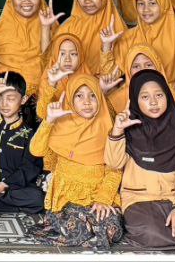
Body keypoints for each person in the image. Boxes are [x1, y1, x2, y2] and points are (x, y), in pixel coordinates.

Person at [106, 69, 175, 250]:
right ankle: (167, 240)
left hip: (173, 198)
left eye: (159, 95)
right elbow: (114, 163)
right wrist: (117, 131)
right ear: (135, 100)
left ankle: (159, 241)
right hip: (139, 200)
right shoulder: (129, 128)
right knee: (150, 232)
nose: (153, 102)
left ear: (167, 96)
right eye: (145, 97)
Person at [28, 73, 124, 250]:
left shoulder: (109, 127)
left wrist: (103, 199)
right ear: (71, 99)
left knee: (113, 227)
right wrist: (49, 121)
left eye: (92, 95)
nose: (87, 102)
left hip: (97, 196)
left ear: (100, 98)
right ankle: (86, 230)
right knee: (77, 226)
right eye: (79, 96)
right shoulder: (61, 125)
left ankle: (87, 229)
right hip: (66, 200)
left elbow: (115, 169)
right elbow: (36, 150)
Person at [104, 0, 175, 119]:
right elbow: (109, 75)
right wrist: (106, 46)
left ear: (163, 4)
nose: (146, 9)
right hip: (134, 105)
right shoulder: (128, 37)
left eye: (152, 3)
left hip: (168, 105)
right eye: (141, 4)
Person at [0, 72, 43, 213]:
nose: (4, 104)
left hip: (13, 187)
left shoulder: (29, 133)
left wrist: (3, 185)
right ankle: (3, 203)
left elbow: (29, 168)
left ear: (23, 99)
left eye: (10, 99)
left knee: (38, 198)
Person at [52, 0, 122, 81]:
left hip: (107, 86)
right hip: (72, 86)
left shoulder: (117, 28)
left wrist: (106, 47)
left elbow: (118, 73)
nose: (87, 1)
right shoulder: (67, 27)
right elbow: (54, 65)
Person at [36, 32, 88, 112]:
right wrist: (52, 83)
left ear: (80, 56)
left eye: (73, 54)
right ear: (56, 55)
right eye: (62, 54)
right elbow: (41, 113)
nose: (67, 59)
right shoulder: (47, 80)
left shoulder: (88, 79)